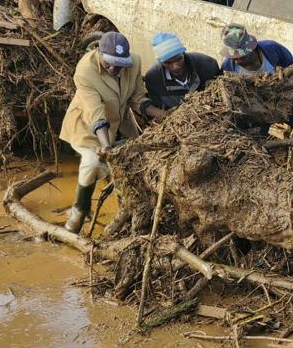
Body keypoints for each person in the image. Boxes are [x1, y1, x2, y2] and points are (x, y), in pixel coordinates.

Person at [59, 31, 157, 233]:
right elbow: (96, 113)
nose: (114, 69)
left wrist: (161, 114)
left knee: (133, 163)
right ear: (99, 54)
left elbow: (138, 98)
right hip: (88, 127)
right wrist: (105, 146)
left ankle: (127, 214)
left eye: (119, 65)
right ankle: (79, 212)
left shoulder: (135, 62)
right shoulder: (85, 71)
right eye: (108, 64)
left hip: (120, 125)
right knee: (93, 162)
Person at [219, 24, 293, 165]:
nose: (236, 59)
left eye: (240, 56)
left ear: (251, 48)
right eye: (233, 56)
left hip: (287, 102)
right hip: (257, 111)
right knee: (253, 147)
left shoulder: (272, 50)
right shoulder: (229, 67)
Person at [143, 32, 221, 115]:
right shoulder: (154, 79)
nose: (175, 67)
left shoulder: (207, 66)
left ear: (183, 53)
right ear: (161, 62)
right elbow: (159, 110)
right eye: (168, 63)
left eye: (179, 59)